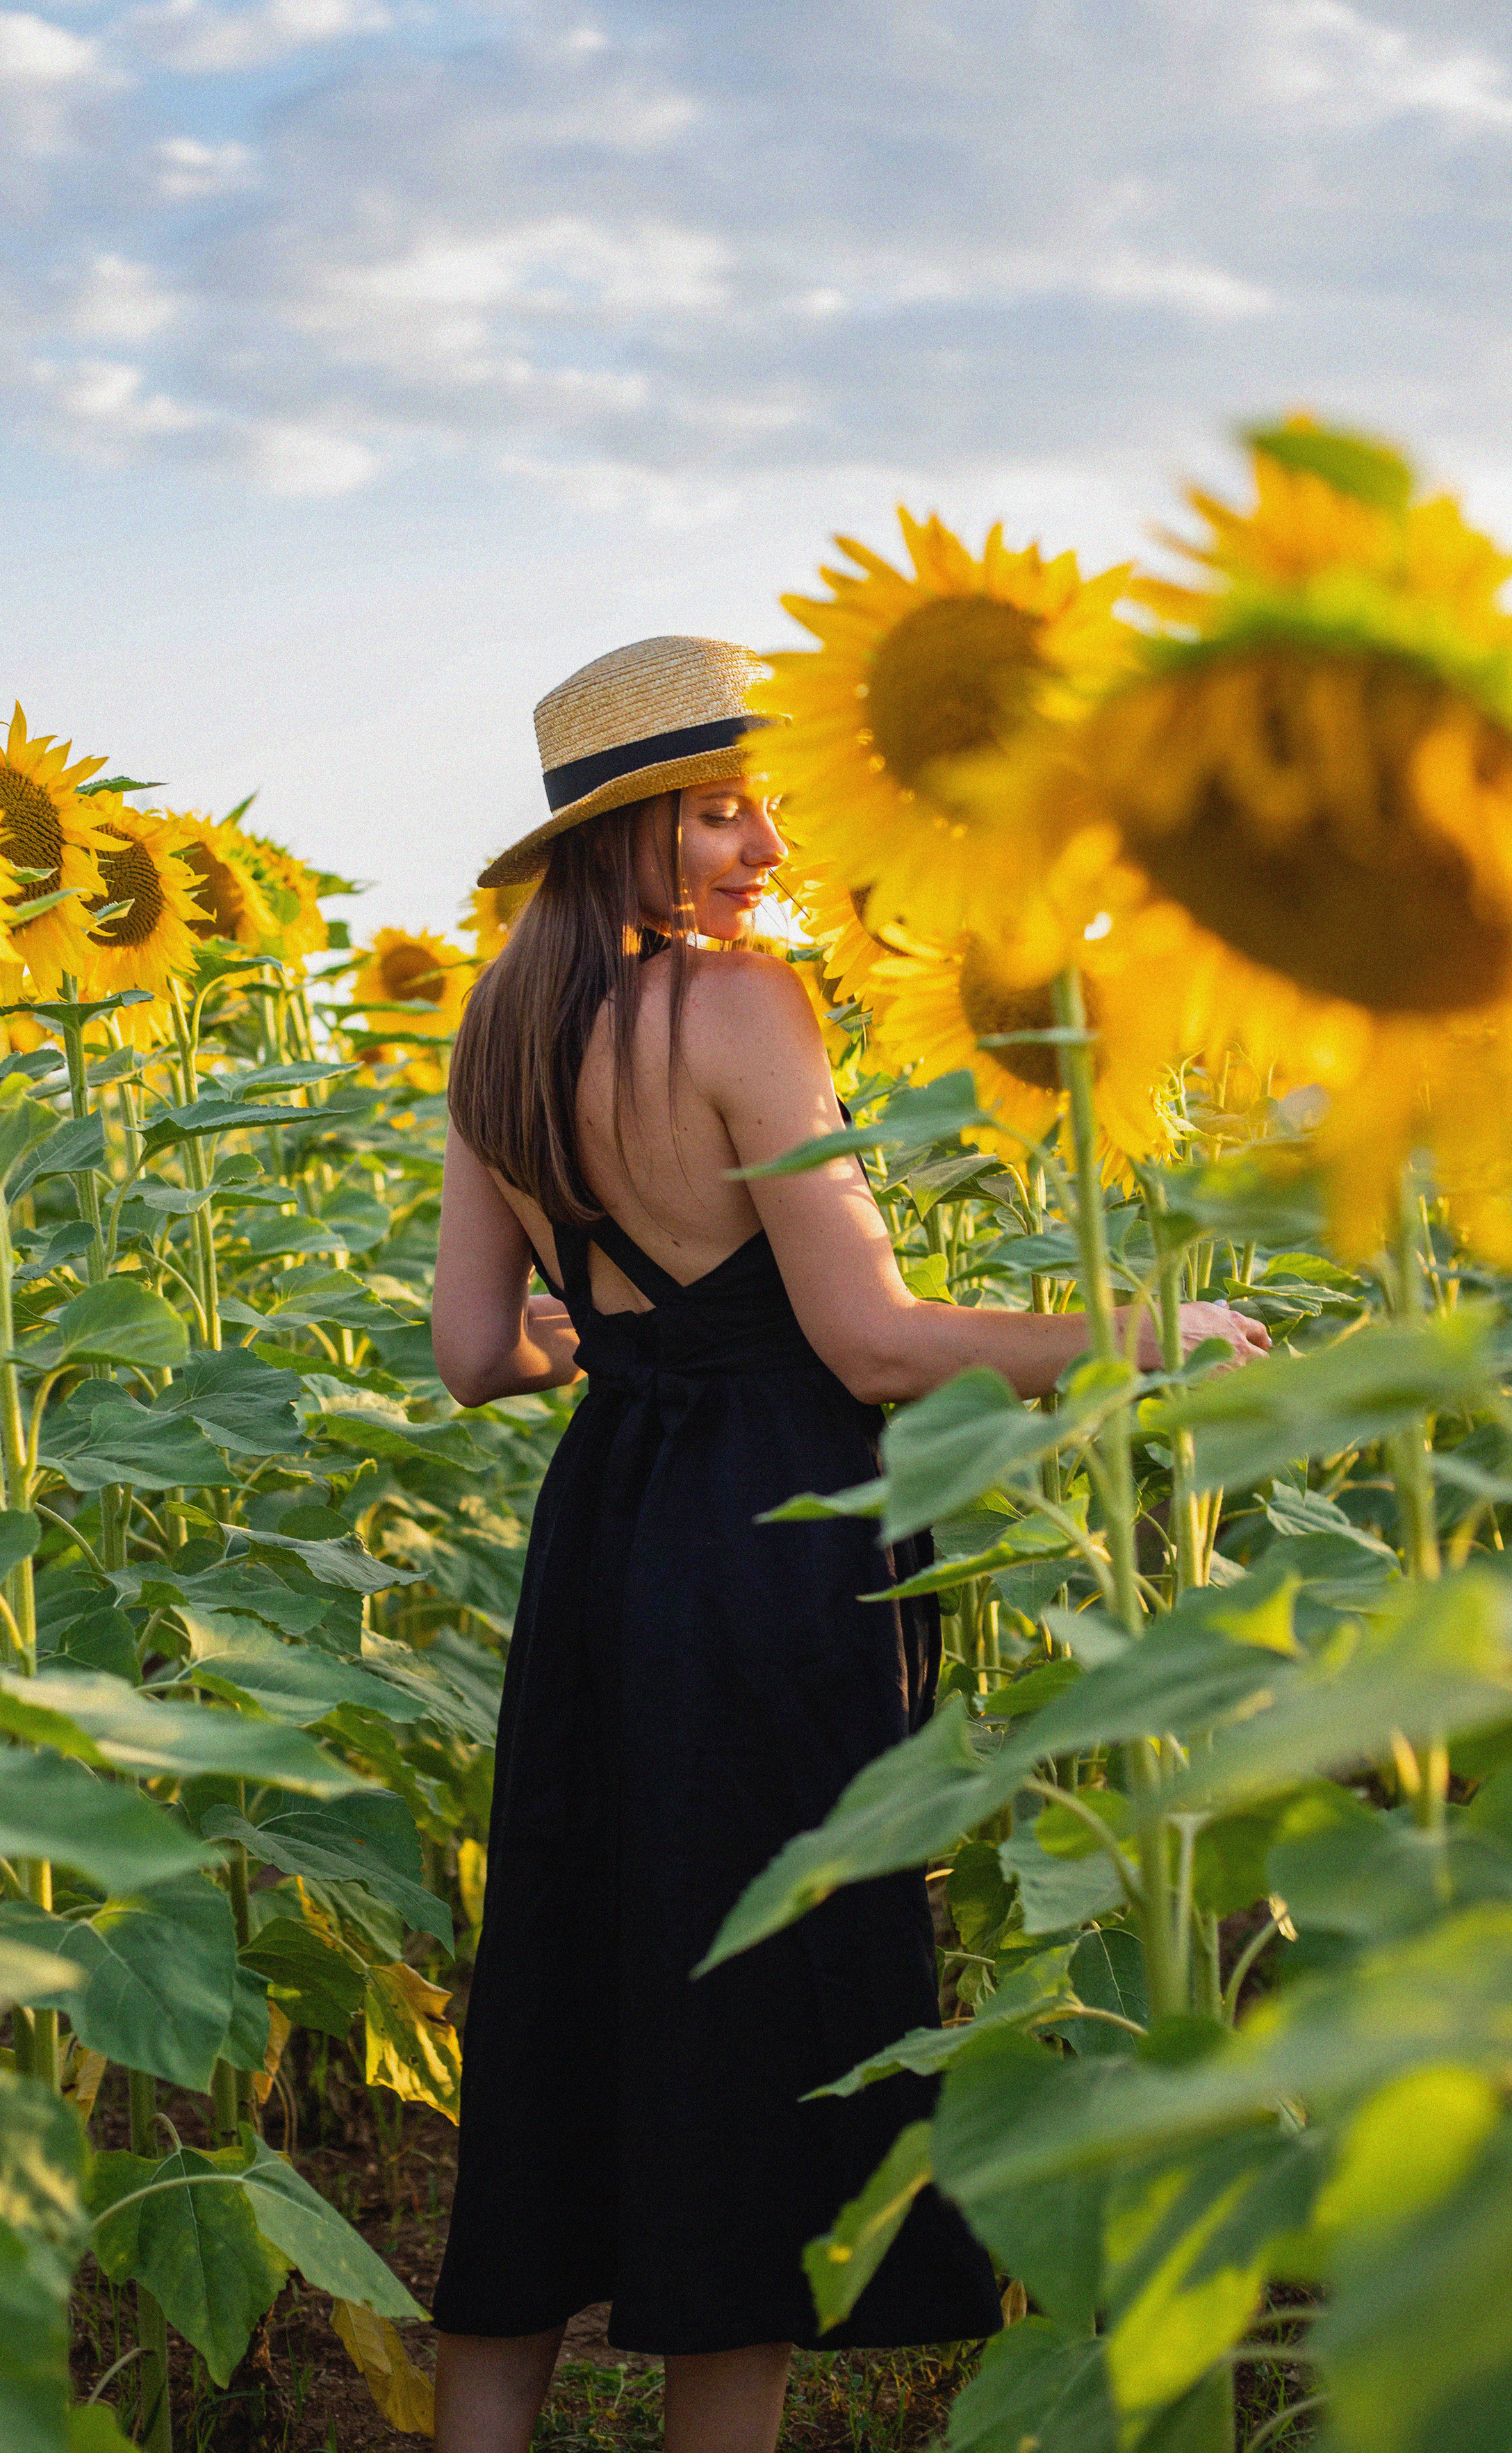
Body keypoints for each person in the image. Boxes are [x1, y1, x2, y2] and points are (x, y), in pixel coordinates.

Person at [428, 636, 1269, 2453]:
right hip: (768, 1550)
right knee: (757, 2019)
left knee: (570, 1990)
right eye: (716, 813)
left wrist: (597, 1335)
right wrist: (1144, 1341)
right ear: (615, 838)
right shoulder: (746, 1010)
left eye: (768, 805)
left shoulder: (493, 1031)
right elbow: (874, 1345)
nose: (763, 846)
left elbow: (471, 1356)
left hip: (604, 1540)